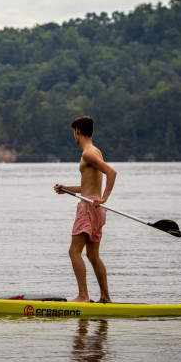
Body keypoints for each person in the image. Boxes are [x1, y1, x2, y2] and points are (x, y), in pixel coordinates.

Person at [54, 116, 117, 303]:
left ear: (77, 131)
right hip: (97, 208)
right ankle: (105, 297)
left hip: (89, 207)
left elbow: (111, 172)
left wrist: (106, 197)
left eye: (73, 132)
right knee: (92, 255)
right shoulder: (96, 151)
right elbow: (88, 186)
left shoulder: (87, 153)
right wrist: (67, 189)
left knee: (74, 252)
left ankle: (83, 296)